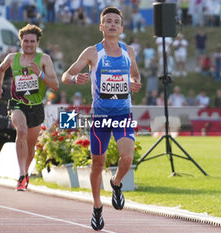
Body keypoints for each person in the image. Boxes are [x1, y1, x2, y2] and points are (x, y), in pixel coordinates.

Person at [61, 7, 141, 231]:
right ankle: (97, 207)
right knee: (98, 164)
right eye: (108, 21)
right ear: (101, 27)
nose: (113, 24)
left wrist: (135, 81)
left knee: (127, 158)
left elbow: (135, 74)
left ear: (122, 28)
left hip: (123, 114)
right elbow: (66, 75)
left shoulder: (129, 51)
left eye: (117, 21)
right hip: (100, 117)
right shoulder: (92, 52)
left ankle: (116, 184)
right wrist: (76, 79)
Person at [0, 24, 59, 191]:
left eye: (32, 41)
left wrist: (40, 74)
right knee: (20, 131)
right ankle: (21, 174)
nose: (28, 44)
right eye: (25, 41)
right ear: (20, 41)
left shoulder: (44, 59)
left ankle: (26, 172)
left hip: (36, 107)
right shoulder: (12, 58)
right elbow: (0, 70)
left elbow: (55, 85)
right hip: (17, 103)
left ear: (37, 43)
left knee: (30, 150)